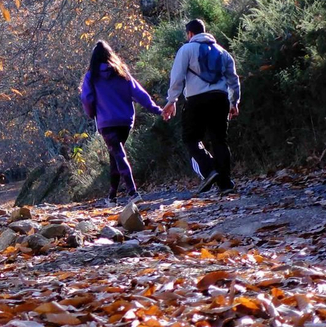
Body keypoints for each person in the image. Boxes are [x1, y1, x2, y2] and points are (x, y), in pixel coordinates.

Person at [162, 19, 240, 194]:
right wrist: (234, 101)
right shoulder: (223, 52)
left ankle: (209, 169)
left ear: (190, 34)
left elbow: (177, 77)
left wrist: (172, 100)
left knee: (191, 138)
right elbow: (233, 79)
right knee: (219, 139)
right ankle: (225, 183)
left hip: (196, 100)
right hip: (220, 99)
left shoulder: (186, 50)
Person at [80, 41, 164, 201]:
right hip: (125, 121)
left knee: (118, 155)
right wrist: (156, 109)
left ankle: (132, 192)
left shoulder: (91, 76)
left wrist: (92, 114)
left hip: (107, 122)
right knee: (115, 156)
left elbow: (86, 98)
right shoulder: (121, 72)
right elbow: (139, 93)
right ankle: (111, 196)